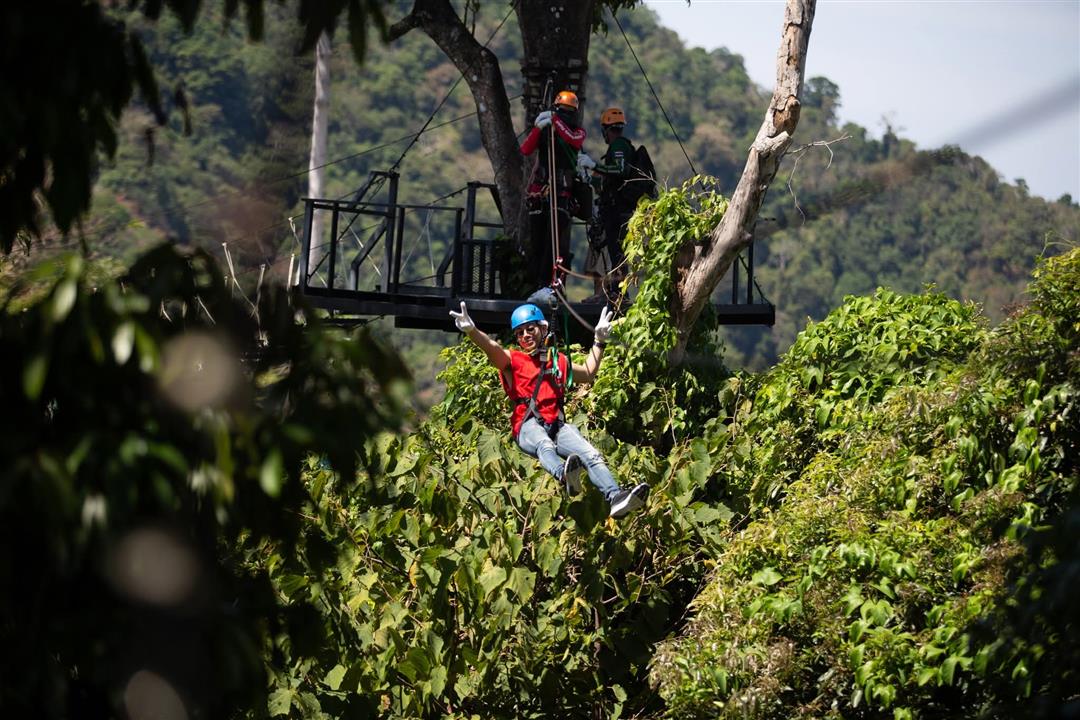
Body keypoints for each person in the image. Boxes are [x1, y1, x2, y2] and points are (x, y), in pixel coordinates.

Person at [448, 300, 649, 519]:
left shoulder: (557, 361)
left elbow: (589, 373)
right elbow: (491, 347)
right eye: (520, 332)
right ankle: (564, 474)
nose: (525, 335)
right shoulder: (513, 360)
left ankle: (616, 498)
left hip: (557, 425)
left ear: (544, 329)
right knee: (544, 443)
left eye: (530, 329)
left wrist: (599, 341)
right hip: (527, 427)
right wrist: (472, 331)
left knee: (590, 454)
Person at [519, 90, 586, 289]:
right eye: (561, 111)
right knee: (538, 242)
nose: (565, 115)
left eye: (568, 112)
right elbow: (525, 149)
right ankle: (537, 283)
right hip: (541, 193)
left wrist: (555, 121)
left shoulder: (577, 132)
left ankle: (549, 283)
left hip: (562, 194)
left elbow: (573, 140)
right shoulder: (546, 130)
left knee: (554, 243)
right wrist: (539, 128)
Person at [576, 107, 640, 291]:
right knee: (614, 253)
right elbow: (610, 178)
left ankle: (617, 294)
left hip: (618, 212)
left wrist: (594, 164)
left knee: (617, 254)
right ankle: (614, 293)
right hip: (615, 209)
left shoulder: (619, 146)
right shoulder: (619, 146)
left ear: (606, 129)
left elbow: (620, 171)